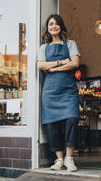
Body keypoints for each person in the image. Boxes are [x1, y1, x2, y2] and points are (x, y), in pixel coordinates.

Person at [37, 14, 80, 172]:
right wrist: (62, 62)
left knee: (72, 121)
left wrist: (54, 69)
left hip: (68, 91)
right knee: (51, 125)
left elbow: (75, 63)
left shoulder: (70, 44)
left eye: (56, 24)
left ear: (61, 26)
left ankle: (69, 158)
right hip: (50, 92)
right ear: (47, 28)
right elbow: (41, 65)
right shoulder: (43, 47)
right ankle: (59, 159)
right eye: (50, 24)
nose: (53, 26)